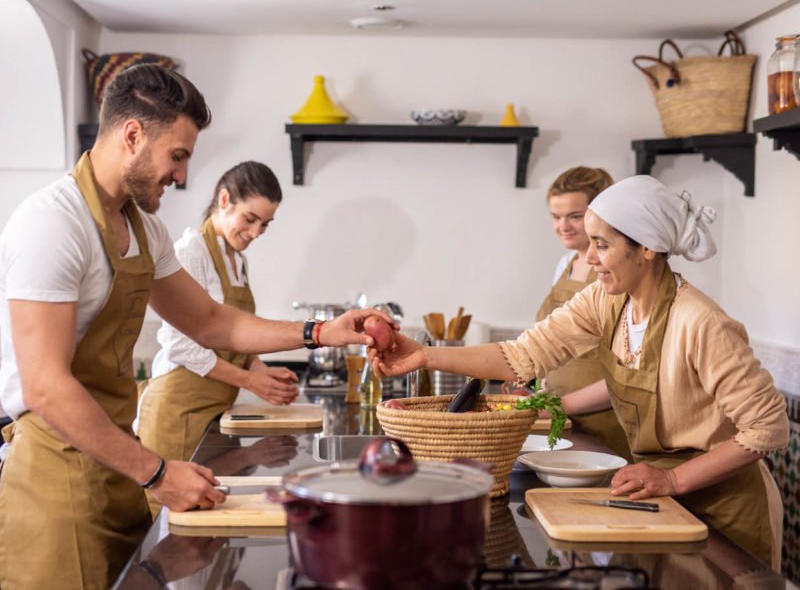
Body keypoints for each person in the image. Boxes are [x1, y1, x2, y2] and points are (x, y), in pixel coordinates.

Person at [0, 64, 394, 590]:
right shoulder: (52, 222)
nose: (182, 176)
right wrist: (159, 473)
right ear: (133, 135)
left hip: (117, 464)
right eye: (178, 156)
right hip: (55, 474)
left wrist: (322, 331)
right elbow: (46, 387)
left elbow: (212, 323)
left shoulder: (147, 230)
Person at [371, 175, 789, 569]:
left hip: (725, 508)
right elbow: (521, 355)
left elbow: (768, 429)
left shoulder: (701, 323)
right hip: (659, 498)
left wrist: (675, 480)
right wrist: (423, 356)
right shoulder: (606, 302)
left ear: (645, 248)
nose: (589, 258)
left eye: (601, 245)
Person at [136, 161, 298, 514]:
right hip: (176, 411)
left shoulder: (237, 262)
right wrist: (251, 382)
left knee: (210, 511)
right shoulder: (190, 253)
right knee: (170, 525)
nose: (256, 232)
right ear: (224, 200)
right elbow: (182, 346)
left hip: (214, 411)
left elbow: (233, 334)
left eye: (265, 225)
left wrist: (260, 368)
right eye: (250, 219)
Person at [535, 166, 630, 460]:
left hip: (606, 423)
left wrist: (560, 405)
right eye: (556, 216)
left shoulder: (617, 273)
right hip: (564, 421)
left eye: (574, 216)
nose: (563, 225)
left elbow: (629, 373)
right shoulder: (564, 263)